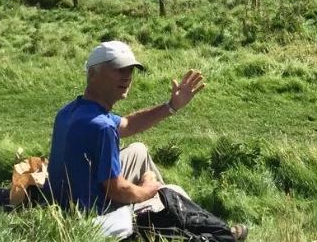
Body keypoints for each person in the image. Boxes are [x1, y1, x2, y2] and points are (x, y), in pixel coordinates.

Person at [47, 41, 204, 218]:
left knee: (138, 150)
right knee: (172, 191)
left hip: (62, 202)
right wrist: (148, 189)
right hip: (94, 216)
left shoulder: (70, 111)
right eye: (118, 69)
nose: (127, 76)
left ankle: (174, 215)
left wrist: (172, 106)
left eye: (130, 70)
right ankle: (207, 229)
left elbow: (128, 124)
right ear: (92, 74)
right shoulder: (102, 127)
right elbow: (117, 190)